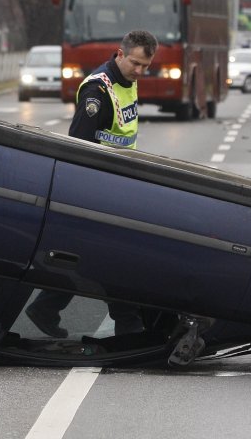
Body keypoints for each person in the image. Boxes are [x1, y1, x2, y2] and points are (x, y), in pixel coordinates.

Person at [26, 30, 158, 339]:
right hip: (97, 189)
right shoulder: (98, 91)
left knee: (91, 256)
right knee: (116, 256)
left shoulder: (128, 82)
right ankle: (128, 324)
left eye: (146, 67)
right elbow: (79, 147)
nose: (140, 72)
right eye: (136, 64)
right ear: (120, 54)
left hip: (118, 184)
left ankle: (47, 306)